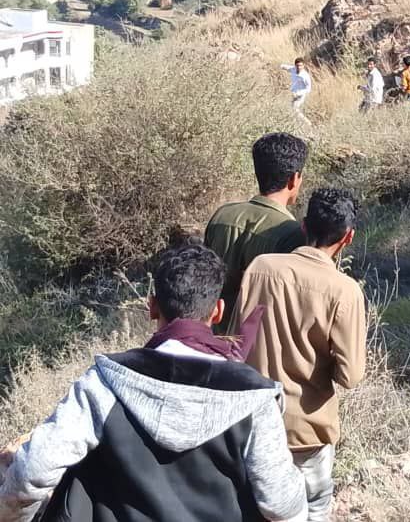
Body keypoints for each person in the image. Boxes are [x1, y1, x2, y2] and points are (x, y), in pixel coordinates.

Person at [0, 243, 307, 522]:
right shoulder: (254, 398)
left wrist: (15, 517)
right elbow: (281, 505)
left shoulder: (105, 382)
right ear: (217, 311)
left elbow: (32, 471)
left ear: (152, 306)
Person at [233, 188, 367, 522]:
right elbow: (350, 376)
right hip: (307, 431)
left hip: (254, 420)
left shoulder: (260, 268)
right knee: (312, 511)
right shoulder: (345, 290)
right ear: (348, 237)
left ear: (304, 226)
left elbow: (237, 344)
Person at [205, 132, 307, 330]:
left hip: (211, 337)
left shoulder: (222, 215)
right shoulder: (293, 233)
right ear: (294, 179)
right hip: (255, 342)